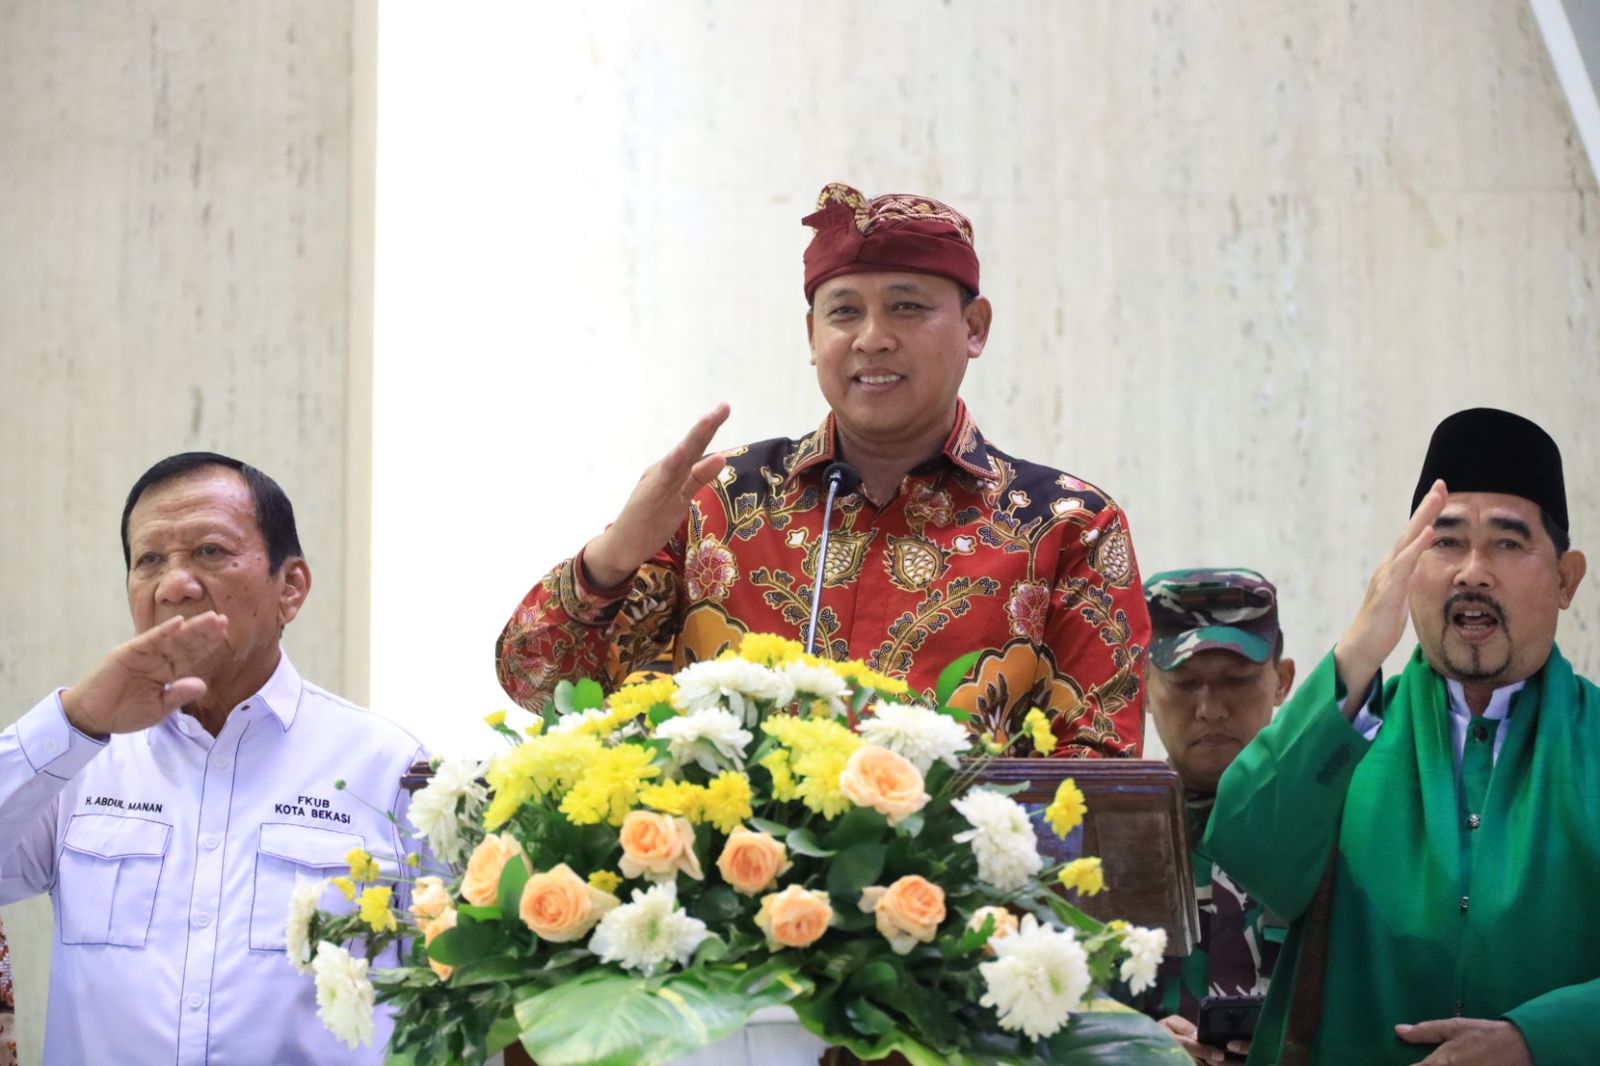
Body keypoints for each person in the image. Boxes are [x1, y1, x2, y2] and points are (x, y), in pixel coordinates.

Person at [496, 182, 1150, 755]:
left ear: (974, 327)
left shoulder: (1066, 526)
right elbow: (542, 685)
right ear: (812, 336)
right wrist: (612, 559)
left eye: (907, 306)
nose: (872, 338)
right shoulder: (718, 501)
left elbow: (1102, 776)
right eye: (844, 312)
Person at [0, 452, 425, 1064]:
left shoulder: (388, 770)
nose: (175, 583)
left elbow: (468, 990)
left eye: (209, 551)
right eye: (149, 560)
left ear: (291, 586)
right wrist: (75, 722)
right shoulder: (78, 757)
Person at [1205, 408, 1596, 1066]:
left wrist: (1539, 1041)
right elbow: (1246, 847)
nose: (1473, 572)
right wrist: (1359, 650)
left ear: (1565, 579)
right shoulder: (1345, 735)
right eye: (1445, 543)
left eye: (1506, 543)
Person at [1134, 568, 1295, 1064]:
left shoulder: (1326, 821)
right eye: (1183, 684)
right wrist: (1135, 1041)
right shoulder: (1109, 832)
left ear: (1282, 682)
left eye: (1238, 680)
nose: (1210, 709)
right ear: (1139, 688)